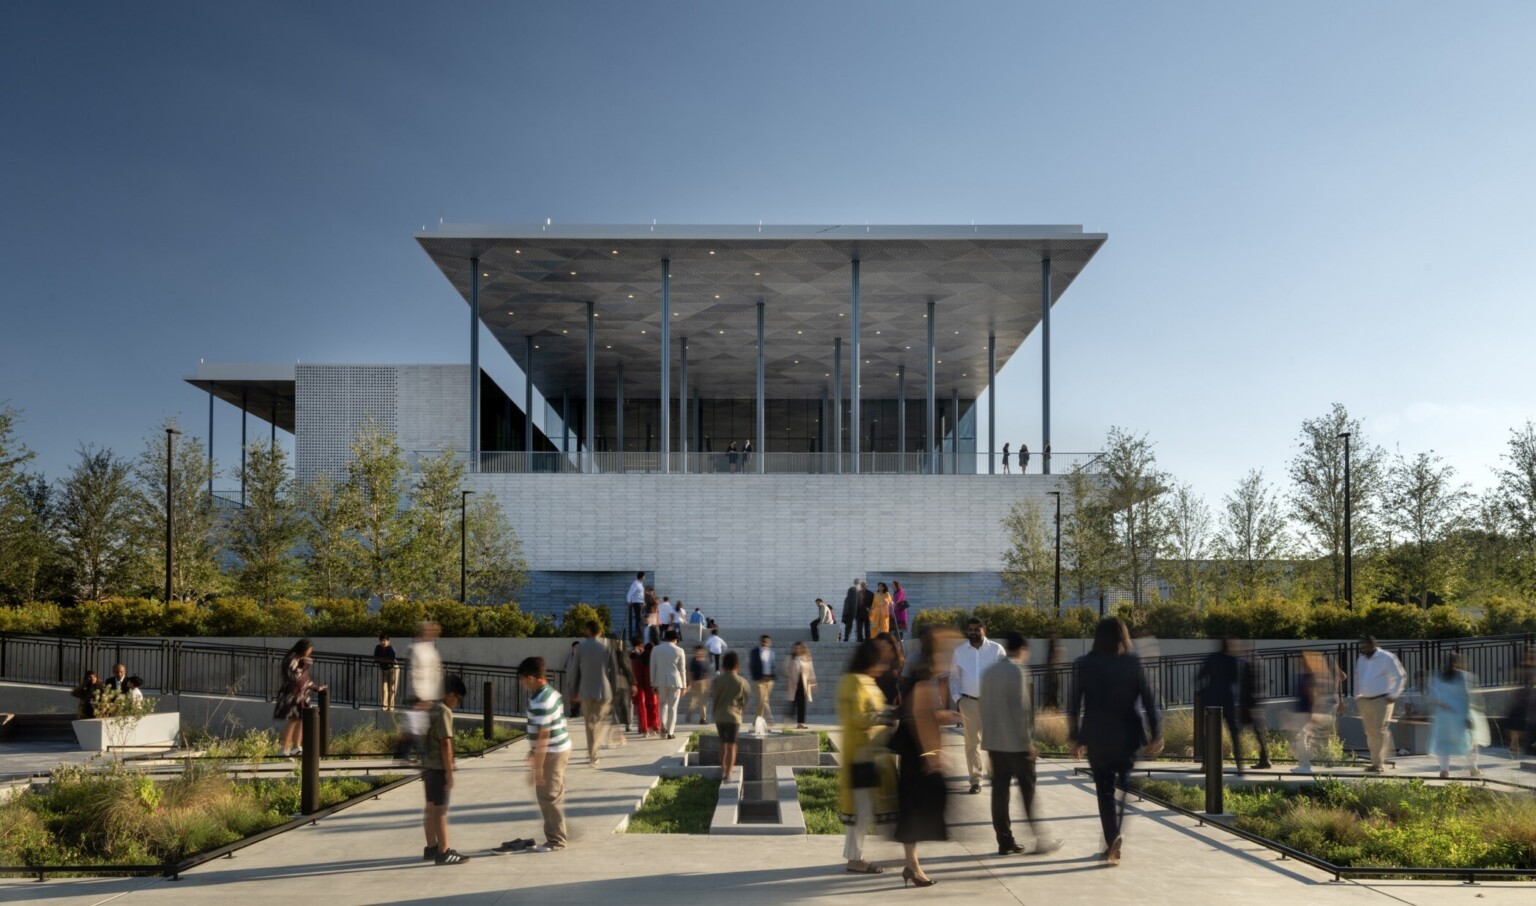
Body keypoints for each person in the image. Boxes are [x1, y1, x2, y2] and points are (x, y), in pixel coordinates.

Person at [1069, 617, 1163, 866]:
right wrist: (1156, 733)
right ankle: (1115, 834)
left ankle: (1112, 836)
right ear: (1123, 636)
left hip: (1097, 735)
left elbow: (1073, 704)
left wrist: (1075, 737)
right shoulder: (1132, 662)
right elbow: (1149, 700)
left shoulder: (1084, 664)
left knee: (1105, 790)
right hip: (1128, 735)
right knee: (1125, 786)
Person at [982, 632, 1061, 855]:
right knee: (1028, 792)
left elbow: (984, 708)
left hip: (995, 744)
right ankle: (1041, 839)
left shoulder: (988, 672)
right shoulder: (1017, 670)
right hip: (1017, 746)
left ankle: (1004, 841)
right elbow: (1021, 710)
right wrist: (1028, 743)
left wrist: (987, 741)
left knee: (1000, 794)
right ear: (1022, 649)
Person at [893, 627, 960, 887]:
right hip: (918, 753)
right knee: (916, 808)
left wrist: (942, 716)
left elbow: (926, 711)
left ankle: (912, 864)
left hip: (921, 752)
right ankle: (912, 865)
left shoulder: (932, 675)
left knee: (916, 809)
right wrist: (934, 755)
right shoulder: (924, 678)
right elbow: (919, 714)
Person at [838, 639, 896, 876]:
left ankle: (856, 855)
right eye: (880, 661)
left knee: (867, 806)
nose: (883, 667)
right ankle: (855, 858)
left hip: (870, 753)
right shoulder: (853, 681)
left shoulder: (865, 681)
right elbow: (857, 717)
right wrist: (887, 716)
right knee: (861, 808)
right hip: (860, 754)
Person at [519, 657, 571, 852]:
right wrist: (533, 751)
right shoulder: (550, 693)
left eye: (523, 679)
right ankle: (555, 834)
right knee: (553, 795)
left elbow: (543, 735)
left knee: (549, 796)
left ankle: (556, 840)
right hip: (558, 748)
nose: (522, 683)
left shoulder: (541, 701)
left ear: (532, 678)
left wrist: (538, 767)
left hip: (552, 751)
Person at [1196, 638, 1270, 771]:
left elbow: (1200, 676)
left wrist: (1205, 690)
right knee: (1235, 733)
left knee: (1211, 733)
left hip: (1214, 702)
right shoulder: (1234, 661)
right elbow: (1236, 680)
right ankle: (1239, 765)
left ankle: (1206, 763)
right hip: (1228, 701)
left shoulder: (1212, 658)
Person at [951, 617, 1006, 794]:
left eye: (977, 629)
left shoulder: (996, 650)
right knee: (971, 743)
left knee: (994, 741)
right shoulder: (959, 652)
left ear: (984, 630)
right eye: (970, 630)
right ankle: (976, 780)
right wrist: (958, 699)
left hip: (991, 703)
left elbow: (1004, 675)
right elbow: (954, 677)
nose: (973, 633)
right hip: (968, 702)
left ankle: (997, 775)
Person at [422, 674, 469, 865]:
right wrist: (450, 772)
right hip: (439, 767)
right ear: (449, 694)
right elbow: (445, 743)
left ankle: (431, 847)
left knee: (430, 807)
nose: (458, 702)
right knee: (441, 810)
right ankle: (444, 852)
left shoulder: (430, 708)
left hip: (428, 766)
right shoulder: (443, 711)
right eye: (458, 697)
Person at [1427, 652, 1487, 779]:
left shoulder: (1437, 677)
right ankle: (1473, 768)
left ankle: (1444, 770)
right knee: (1469, 741)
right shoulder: (1463, 677)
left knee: (1443, 743)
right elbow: (1467, 696)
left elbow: (1433, 698)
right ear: (1456, 662)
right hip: (1460, 713)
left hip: (1443, 715)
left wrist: (1442, 706)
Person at [1353, 635, 1407, 772]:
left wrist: (1393, 695)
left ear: (1373, 645)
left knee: (1379, 731)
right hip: (1364, 700)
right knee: (1370, 733)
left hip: (1382, 699)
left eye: (1366, 646)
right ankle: (1375, 761)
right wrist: (1357, 696)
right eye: (1362, 647)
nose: (1364, 649)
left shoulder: (1386, 657)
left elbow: (1400, 676)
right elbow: (1358, 678)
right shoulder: (1361, 659)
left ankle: (1378, 764)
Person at [570, 621, 620, 766]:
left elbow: (575, 671)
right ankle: (594, 751)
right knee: (598, 722)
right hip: (604, 691)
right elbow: (614, 671)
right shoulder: (606, 647)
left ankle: (593, 755)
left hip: (586, 691)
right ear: (599, 631)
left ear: (588, 630)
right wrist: (615, 691)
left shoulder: (580, 648)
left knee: (590, 724)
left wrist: (573, 691)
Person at [1288, 650, 1338, 773]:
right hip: (1301, 711)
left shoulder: (1310, 676)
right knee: (1298, 741)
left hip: (1306, 712)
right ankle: (1304, 763)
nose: (1297, 662)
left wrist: (1312, 712)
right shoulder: (1302, 675)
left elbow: (1314, 696)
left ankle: (1305, 765)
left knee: (1301, 738)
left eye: (1299, 660)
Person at [274, 639, 324, 756]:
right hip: (293, 694)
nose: (309, 653)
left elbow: (304, 678)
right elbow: (296, 677)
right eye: (308, 650)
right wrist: (304, 665)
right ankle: (284, 748)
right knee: (294, 719)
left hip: (301, 694)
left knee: (301, 718)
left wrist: (315, 687)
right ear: (303, 649)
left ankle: (296, 746)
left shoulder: (299, 659)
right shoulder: (291, 659)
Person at [712, 651, 750, 782]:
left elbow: (714, 697)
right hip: (733, 717)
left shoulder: (717, 681)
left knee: (722, 743)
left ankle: (722, 767)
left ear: (723, 666)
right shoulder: (742, 682)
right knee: (732, 744)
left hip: (719, 716)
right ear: (737, 666)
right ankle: (728, 772)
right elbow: (745, 701)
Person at [651, 629, 688, 740]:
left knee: (662, 704)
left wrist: (653, 683)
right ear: (676, 639)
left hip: (660, 681)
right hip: (675, 681)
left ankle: (663, 725)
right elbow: (682, 670)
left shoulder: (656, 649)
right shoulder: (679, 650)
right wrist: (684, 685)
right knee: (673, 707)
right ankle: (670, 731)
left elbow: (653, 667)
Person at [630, 637, 660, 737]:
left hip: (641, 687)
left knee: (642, 709)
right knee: (653, 708)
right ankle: (654, 727)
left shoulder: (638, 660)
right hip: (651, 687)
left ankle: (644, 729)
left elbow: (637, 675)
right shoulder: (654, 661)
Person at [410, 621, 444, 705]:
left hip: (430, 696)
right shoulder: (417, 648)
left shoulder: (432, 650)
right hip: (421, 696)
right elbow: (415, 673)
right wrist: (420, 695)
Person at [786, 641, 817, 729]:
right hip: (794, 683)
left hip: (803, 683)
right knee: (794, 702)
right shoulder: (792, 658)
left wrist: (813, 682)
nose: (797, 650)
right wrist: (791, 679)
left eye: (799, 648)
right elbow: (787, 670)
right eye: (796, 648)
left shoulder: (807, 658)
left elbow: (811, 670)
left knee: (802, 703)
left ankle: (800, 723)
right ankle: (788, 717)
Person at [749, 635, 777, 727]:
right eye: (763, 641)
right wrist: (755, 676)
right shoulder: (755, 652)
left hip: (769, 680)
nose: (765, 643)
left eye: (767, 641)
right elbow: (752, 665)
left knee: (763, 701)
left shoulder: (772, 652)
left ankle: (756, 721)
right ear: (761, 641)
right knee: (763, 700)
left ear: (770, 642)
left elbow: (773, 665)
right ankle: (770, 719)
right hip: (760, 680)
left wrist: (773, 676)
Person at [873, 632, 904, 710]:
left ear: (891, 646)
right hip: (876, 706)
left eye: (883, 646)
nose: (880, 648)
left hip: (893, 706)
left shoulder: (899, 663)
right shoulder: (873, 663)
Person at [685, 645, 713, 723]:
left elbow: (707, 673)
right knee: (695, 701)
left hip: (703, 683)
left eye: (702, 651)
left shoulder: (706, 661)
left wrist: (708, 683)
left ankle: (702, 718)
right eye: (698, 651)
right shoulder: (694, 661)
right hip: (696, 682)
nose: (701, 652)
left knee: (703, 701)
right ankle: (690, 713)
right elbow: (691, 673)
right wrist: (690, 682)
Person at [375, 635, 399, 712]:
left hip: (393, 669)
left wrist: (382, 660)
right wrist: (384, 660)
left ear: (388, 641)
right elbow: (375, 658)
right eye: (381, 640)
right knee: (383, 688)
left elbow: (391, 659)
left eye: (384, 640)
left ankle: (391, 707)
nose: (383, 642)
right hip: (383, 669)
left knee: (392, 688)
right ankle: (384, 706)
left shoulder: (391, 648)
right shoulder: (378, 648)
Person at [627, 571, 647, 640]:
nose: (645, 577)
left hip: (640, 603)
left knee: (640, 619)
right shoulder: (635, 584)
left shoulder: (640, 584)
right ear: (642, 577)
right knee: (638, 619)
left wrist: (643, 602)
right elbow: (630, 593)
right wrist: (629, 601)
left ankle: (640, 634)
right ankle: (638, 634)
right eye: (644, 576)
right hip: (637, 603)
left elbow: (641, 594)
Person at [841, 579, 860, 644]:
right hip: (853, 611)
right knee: (851, 625)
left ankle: (848, 638)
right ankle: (848, 638)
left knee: (851, 625)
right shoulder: (854, 590)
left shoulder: (853, 590)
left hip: (854, 611)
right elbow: (853, 602)